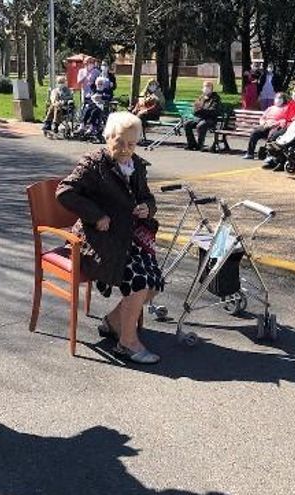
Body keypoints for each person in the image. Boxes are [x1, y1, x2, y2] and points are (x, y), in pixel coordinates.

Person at [56, 111, 163, 364]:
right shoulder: (94, 163)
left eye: (131, 143)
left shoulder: (136, 165)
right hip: (97, 241)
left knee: (154, 281)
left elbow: (147, 197)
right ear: (108, 137)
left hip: (128, 237)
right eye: (120, 142)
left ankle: (113, 323)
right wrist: (96, 215)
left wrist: (148, 208)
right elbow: (65, 192)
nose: (126, 149)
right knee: (139, 281)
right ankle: (126, 343)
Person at [242, 92, 286, 159]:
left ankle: (269, 154)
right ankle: (250, 153)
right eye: (276, 98)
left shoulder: (286, 108)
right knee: (255, 133)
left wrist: (275, 124)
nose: (278, 99)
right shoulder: (270, 108)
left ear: (283, 99)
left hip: (275, 127)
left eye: (280, 98)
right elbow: (262, 118)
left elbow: (285, 120)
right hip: (266, 126)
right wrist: (263, 123)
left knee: (271, 135)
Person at [183, 81, 222, 151]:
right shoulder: (201, 97)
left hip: (210, 119)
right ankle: (191, 144)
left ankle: (200, 145)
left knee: (200, 125)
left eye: (208, 86)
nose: (206, 88)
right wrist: (196, 111)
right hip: (199, 118)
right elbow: (195, 107)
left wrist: (201, 111)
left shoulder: (215, 98)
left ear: (212, 88)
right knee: (187, 124)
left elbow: (213, 110)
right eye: (205, 86)